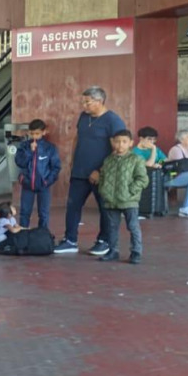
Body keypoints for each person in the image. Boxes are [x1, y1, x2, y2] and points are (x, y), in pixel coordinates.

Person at [54, 87, 126, 255]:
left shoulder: (113, 121)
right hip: (79, 171)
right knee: (73, 206)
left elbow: (118, 149)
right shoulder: (84, 116)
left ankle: (104, 241)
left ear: (99, 101)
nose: (84, 105)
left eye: (87, 102)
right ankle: (70, 240)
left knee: (104, 208)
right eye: (83, 102)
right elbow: (77, 138)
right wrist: (72, 160)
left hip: (101, 175)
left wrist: (100, 170)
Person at [97, 131, 148, 264]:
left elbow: (142, 179)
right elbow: (102, 177)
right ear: (113, 142)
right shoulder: (108, 160)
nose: (120, 145)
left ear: (131, 143)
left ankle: (136, 252)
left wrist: (130, 191)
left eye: (124, 142)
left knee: (133, 226)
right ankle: (113, 251)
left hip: (129, 200)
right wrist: (103, 190)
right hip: (111, 200)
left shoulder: (136, 159)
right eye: (117, 141)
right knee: (112, 227)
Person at [13, 119, 61, 230]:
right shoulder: (24, 146)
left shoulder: (50, 148)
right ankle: (23, 234)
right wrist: (30, 152)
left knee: (43, 213)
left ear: (44, 132)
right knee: (25, 212)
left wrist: (47, 181)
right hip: (27, 183)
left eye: (37, 133)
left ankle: (42, 234)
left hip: (44, 185)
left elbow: (56, 167)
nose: (34, 136)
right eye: (32, 133)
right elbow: (19, 162)